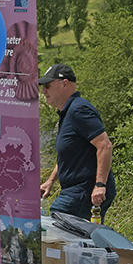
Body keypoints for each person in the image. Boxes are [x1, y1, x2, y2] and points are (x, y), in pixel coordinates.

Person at [38, 63, 116, 221]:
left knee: (55, 223)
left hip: (85, 190)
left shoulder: (79, 110)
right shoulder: (67, 113)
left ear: (64, 84)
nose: (43, 91)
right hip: (75, 190)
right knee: (72, 240)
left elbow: (105, 145)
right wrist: (51, 181)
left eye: (47, 85)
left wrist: (100, 186)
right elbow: (69, 154)